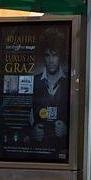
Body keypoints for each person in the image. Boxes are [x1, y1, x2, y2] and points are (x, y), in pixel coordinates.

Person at [32, 27, 70, 157]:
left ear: (61, 56)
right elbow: (19, 115)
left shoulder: (70, 82)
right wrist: (31, 131)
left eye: (55, 55)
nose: (51, 60)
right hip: (38, 151)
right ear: (43, 56)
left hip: (64, 150)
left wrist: (67, 130)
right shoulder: (34, 82)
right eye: (47, 55)